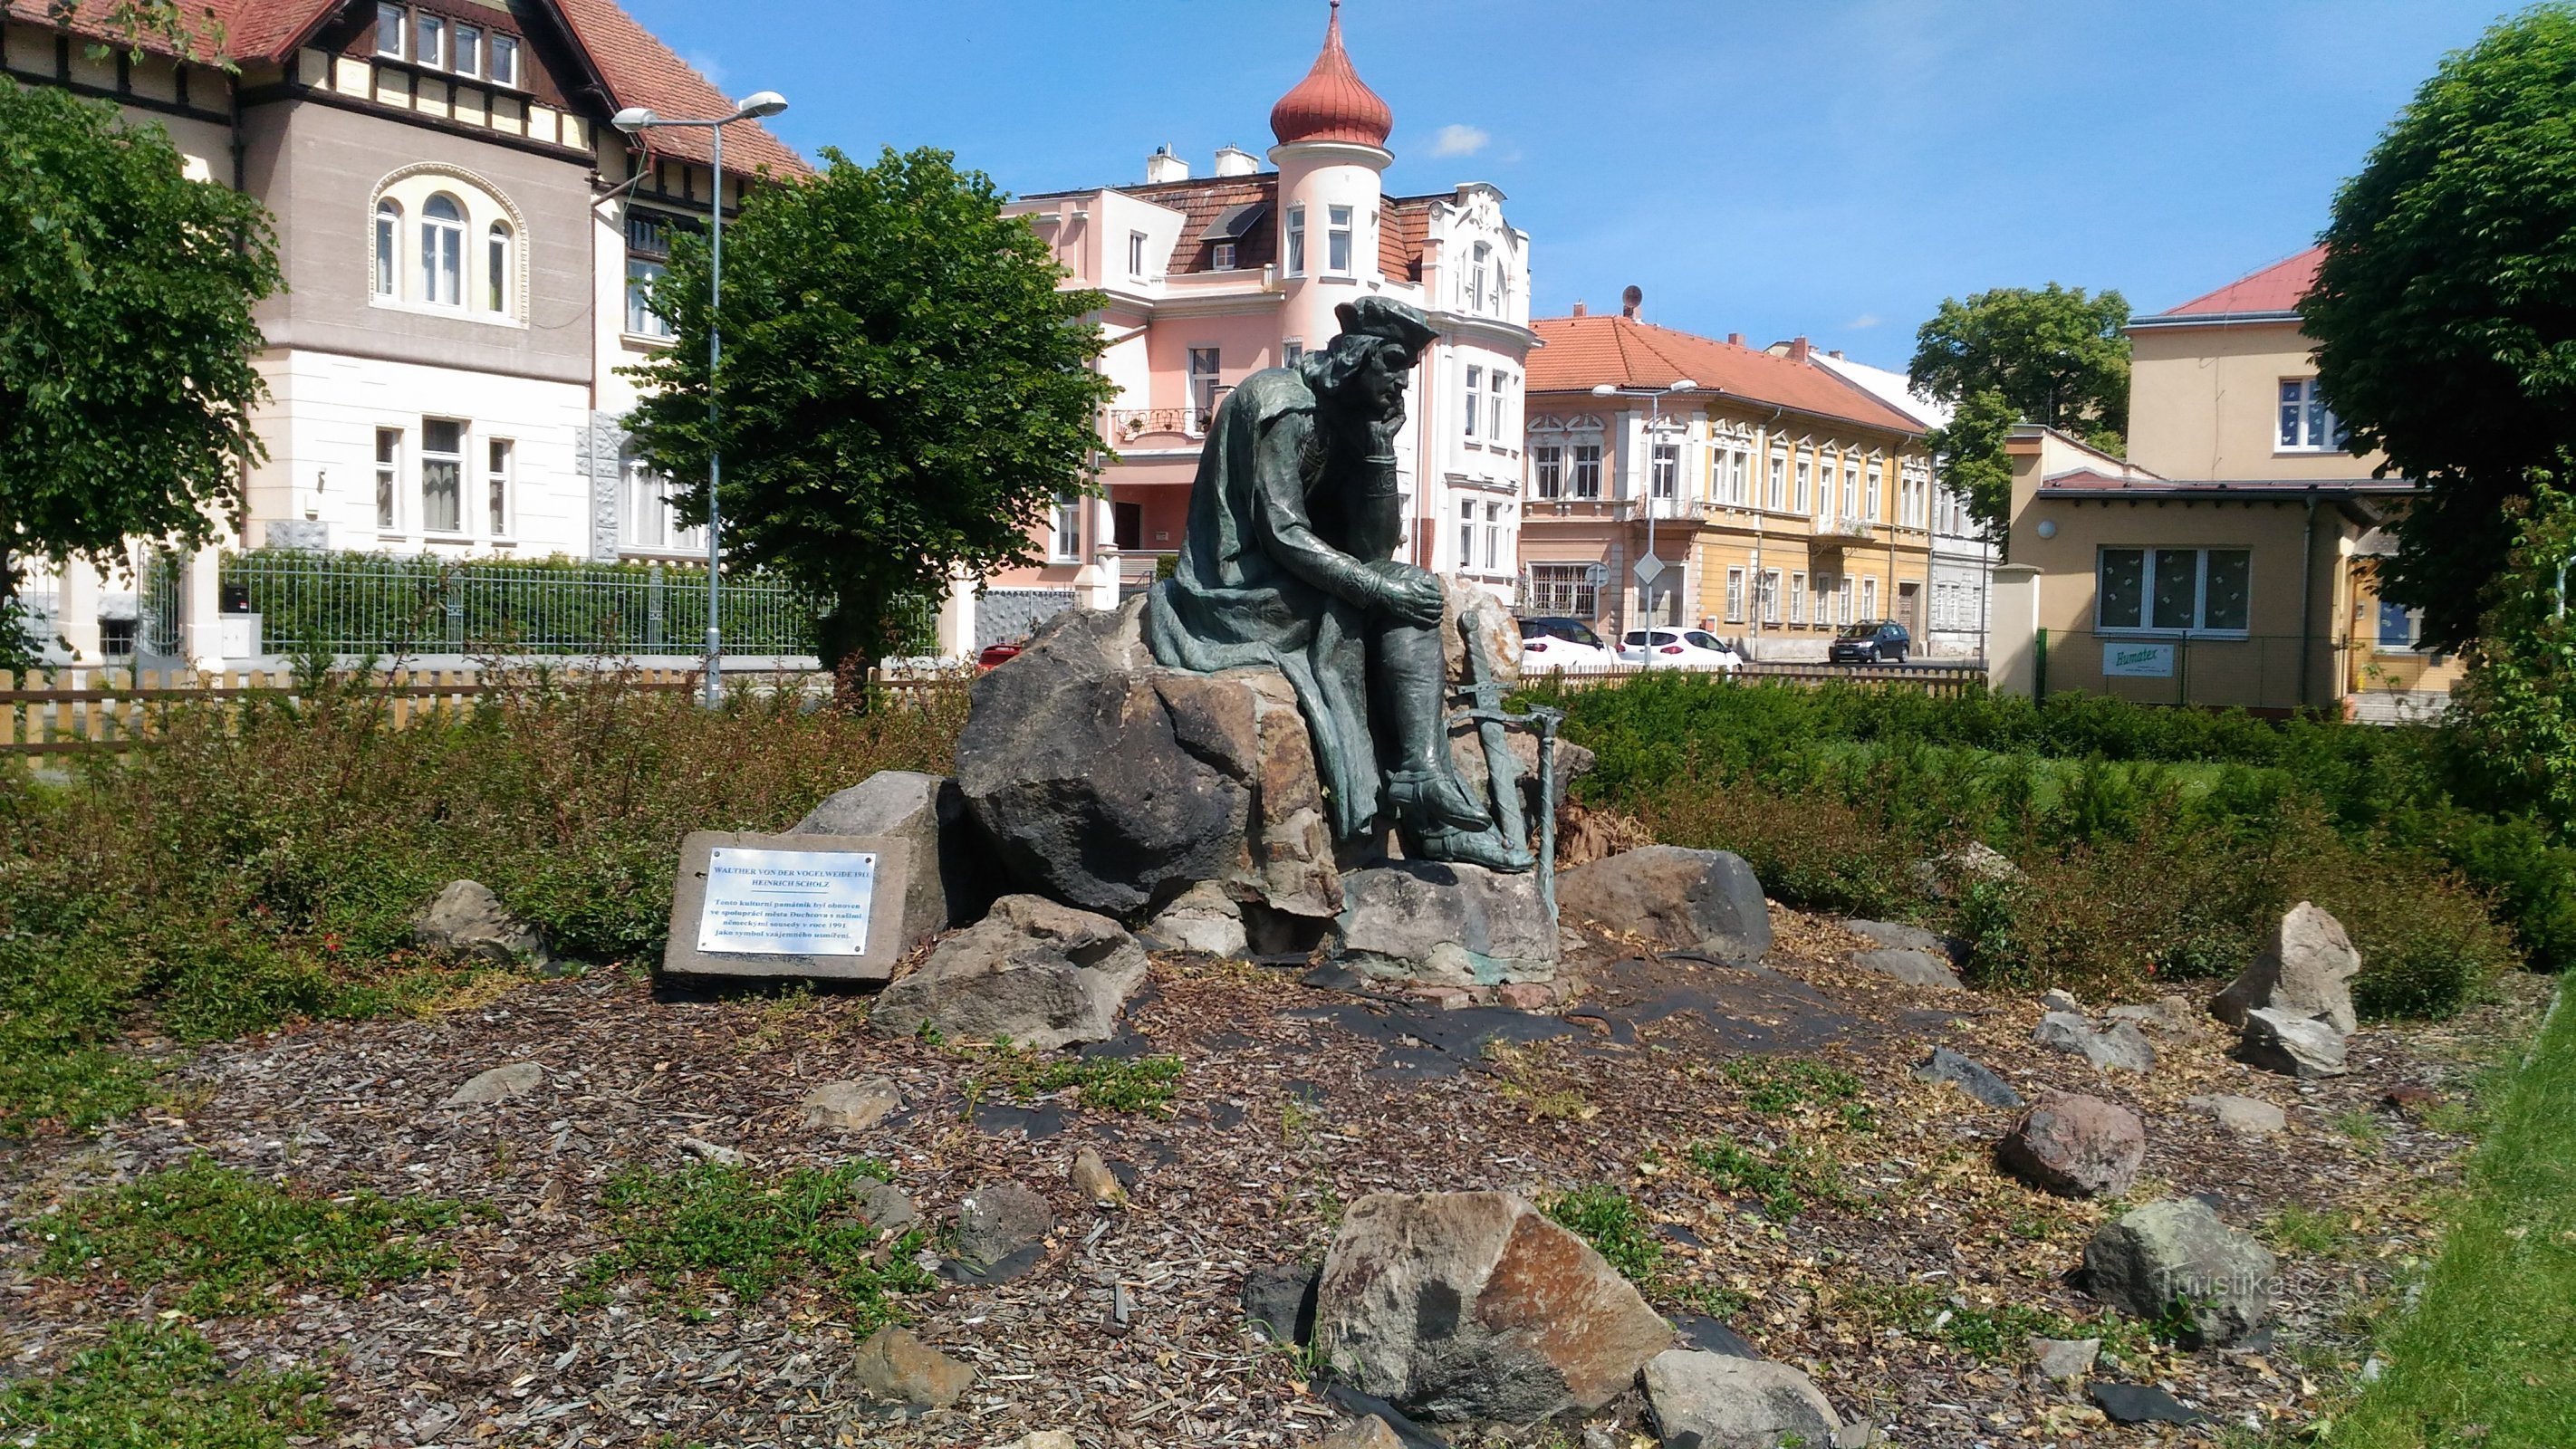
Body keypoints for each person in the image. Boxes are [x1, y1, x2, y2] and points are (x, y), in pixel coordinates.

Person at [1146, 297, 1527, 870]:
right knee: (1384, 599)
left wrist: (1379, 454)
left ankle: (1423, 778)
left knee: (1412, 589)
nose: (1401, 384)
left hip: (1290, 576)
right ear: (1356, 357)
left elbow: (1374, 549)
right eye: (1392, 365)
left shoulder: (1344, 418)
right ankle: (1425, 807)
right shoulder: (1283, 404)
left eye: (1408, 372)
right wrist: (1373, 589)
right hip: (1234, 588)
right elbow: (1281, 531)